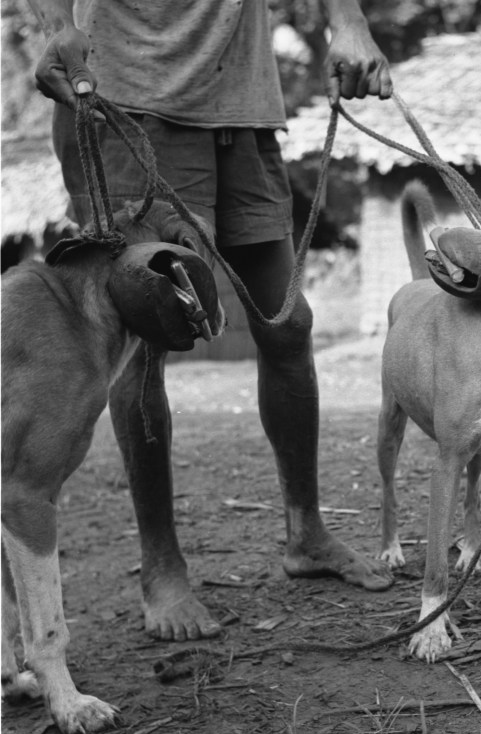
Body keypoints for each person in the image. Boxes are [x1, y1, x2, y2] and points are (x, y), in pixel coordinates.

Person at [26, 0, 395, 641]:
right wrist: (59, 29)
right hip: (130, 102)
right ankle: (163, 568)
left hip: (245, 105)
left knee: (286, 321)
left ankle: (305, 532)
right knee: (143, 343)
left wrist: (350, 24)